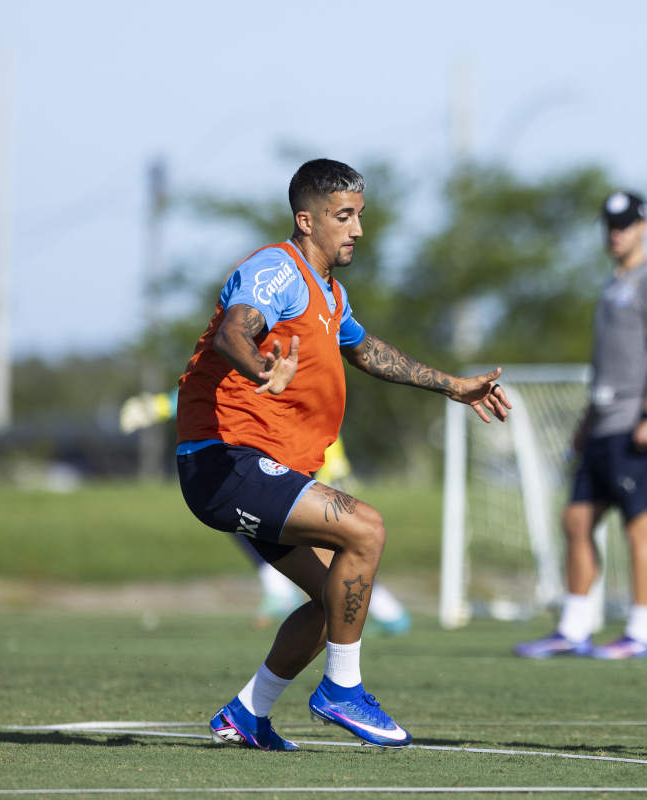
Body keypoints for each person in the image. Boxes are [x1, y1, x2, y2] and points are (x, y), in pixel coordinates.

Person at [176, 158, 511, 751]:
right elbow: (235, 330)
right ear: (306, 220)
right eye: (343, 216)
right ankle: (342, 690)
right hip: (226, 460)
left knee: (336, 598)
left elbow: (366, 350)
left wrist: (453, 386)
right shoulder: (276, 269)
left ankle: (247, 713)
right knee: (367, 529)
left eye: (360, 216)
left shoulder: (328, 292)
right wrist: (261, 368)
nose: (356, 228)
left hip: (257, 468)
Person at [513, 191, 647, 660]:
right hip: (604, 422)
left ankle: (642, 631)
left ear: (643, 226)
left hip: (640, 422)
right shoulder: (611, 285)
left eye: (626, 224)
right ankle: (573, 627)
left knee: (639, 524)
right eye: (610, 225)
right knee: (577, 519)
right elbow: (605, 367)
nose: (616, 233)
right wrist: (584, 423)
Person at [121, 394, 411, 635]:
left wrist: (156, 407)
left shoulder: (267, 341)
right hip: (290, 462)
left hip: (306, 464)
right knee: (247, 521)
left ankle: (386, 613)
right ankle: (286, 592)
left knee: (337, 551)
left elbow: (218, 394)